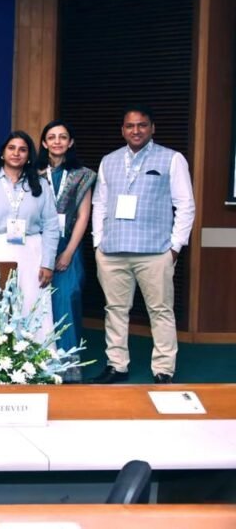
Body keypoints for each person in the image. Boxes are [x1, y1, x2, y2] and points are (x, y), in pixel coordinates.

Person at [90, 106, 195, 385]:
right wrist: (98, 242)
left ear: (152, 128)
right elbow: (100, 203)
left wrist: (175, 247)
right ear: (122, 130)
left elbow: (185, 205)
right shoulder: (109, 160)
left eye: (142, 125)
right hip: (112, 251)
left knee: (160, 311)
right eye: (130, 126)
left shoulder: (172, 159)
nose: (135, 131)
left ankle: (163, 369)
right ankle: (117, 365)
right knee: (115, 310)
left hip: (155, 251)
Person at [0, 131, 60, 343]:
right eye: (11, 148)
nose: (16, 153)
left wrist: (48, 263)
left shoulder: (41, 184)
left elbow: (51, 225)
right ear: (3, 153)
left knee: (31, 305)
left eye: (22, 149)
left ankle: (36, 357)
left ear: (29, 156)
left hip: (32, 252)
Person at [37, 120, 96, 376]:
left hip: (68, 246)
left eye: (63, 137)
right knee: (39, 302)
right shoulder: (34, 173)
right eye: (52, 137)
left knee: (66, 300)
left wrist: (69, 252)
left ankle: (68, 369)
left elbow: (83, 216)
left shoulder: (82, 175)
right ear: (44, 143)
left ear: (70, 142)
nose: (57, 141)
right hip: (39, 245)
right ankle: (39, 365)